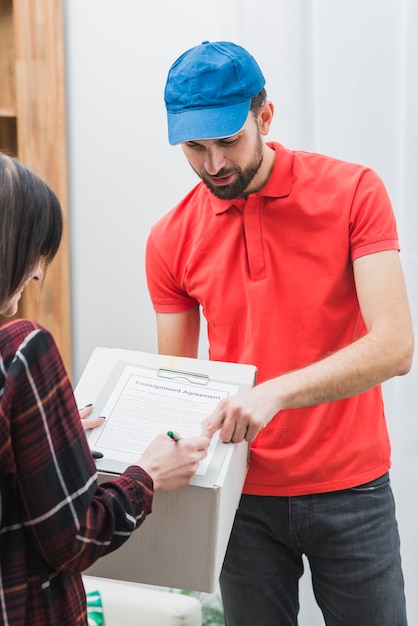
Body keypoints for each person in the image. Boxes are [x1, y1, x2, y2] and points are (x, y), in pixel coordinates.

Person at [145, 41, 414, 625]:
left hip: (353, 490)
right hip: (239, 498)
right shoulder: (170, 238)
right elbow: (177, 384)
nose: (213, 164)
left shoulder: (354, 193)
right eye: (194, 147)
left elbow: (395, 346)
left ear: (264, 117)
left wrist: (275, 392)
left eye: (229, 141)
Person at [0, 152, 210, 625]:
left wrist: (44, 433)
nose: (37, 274)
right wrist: (147, 476)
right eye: (36, 251)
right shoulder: (22, 349)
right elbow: (74, 539)